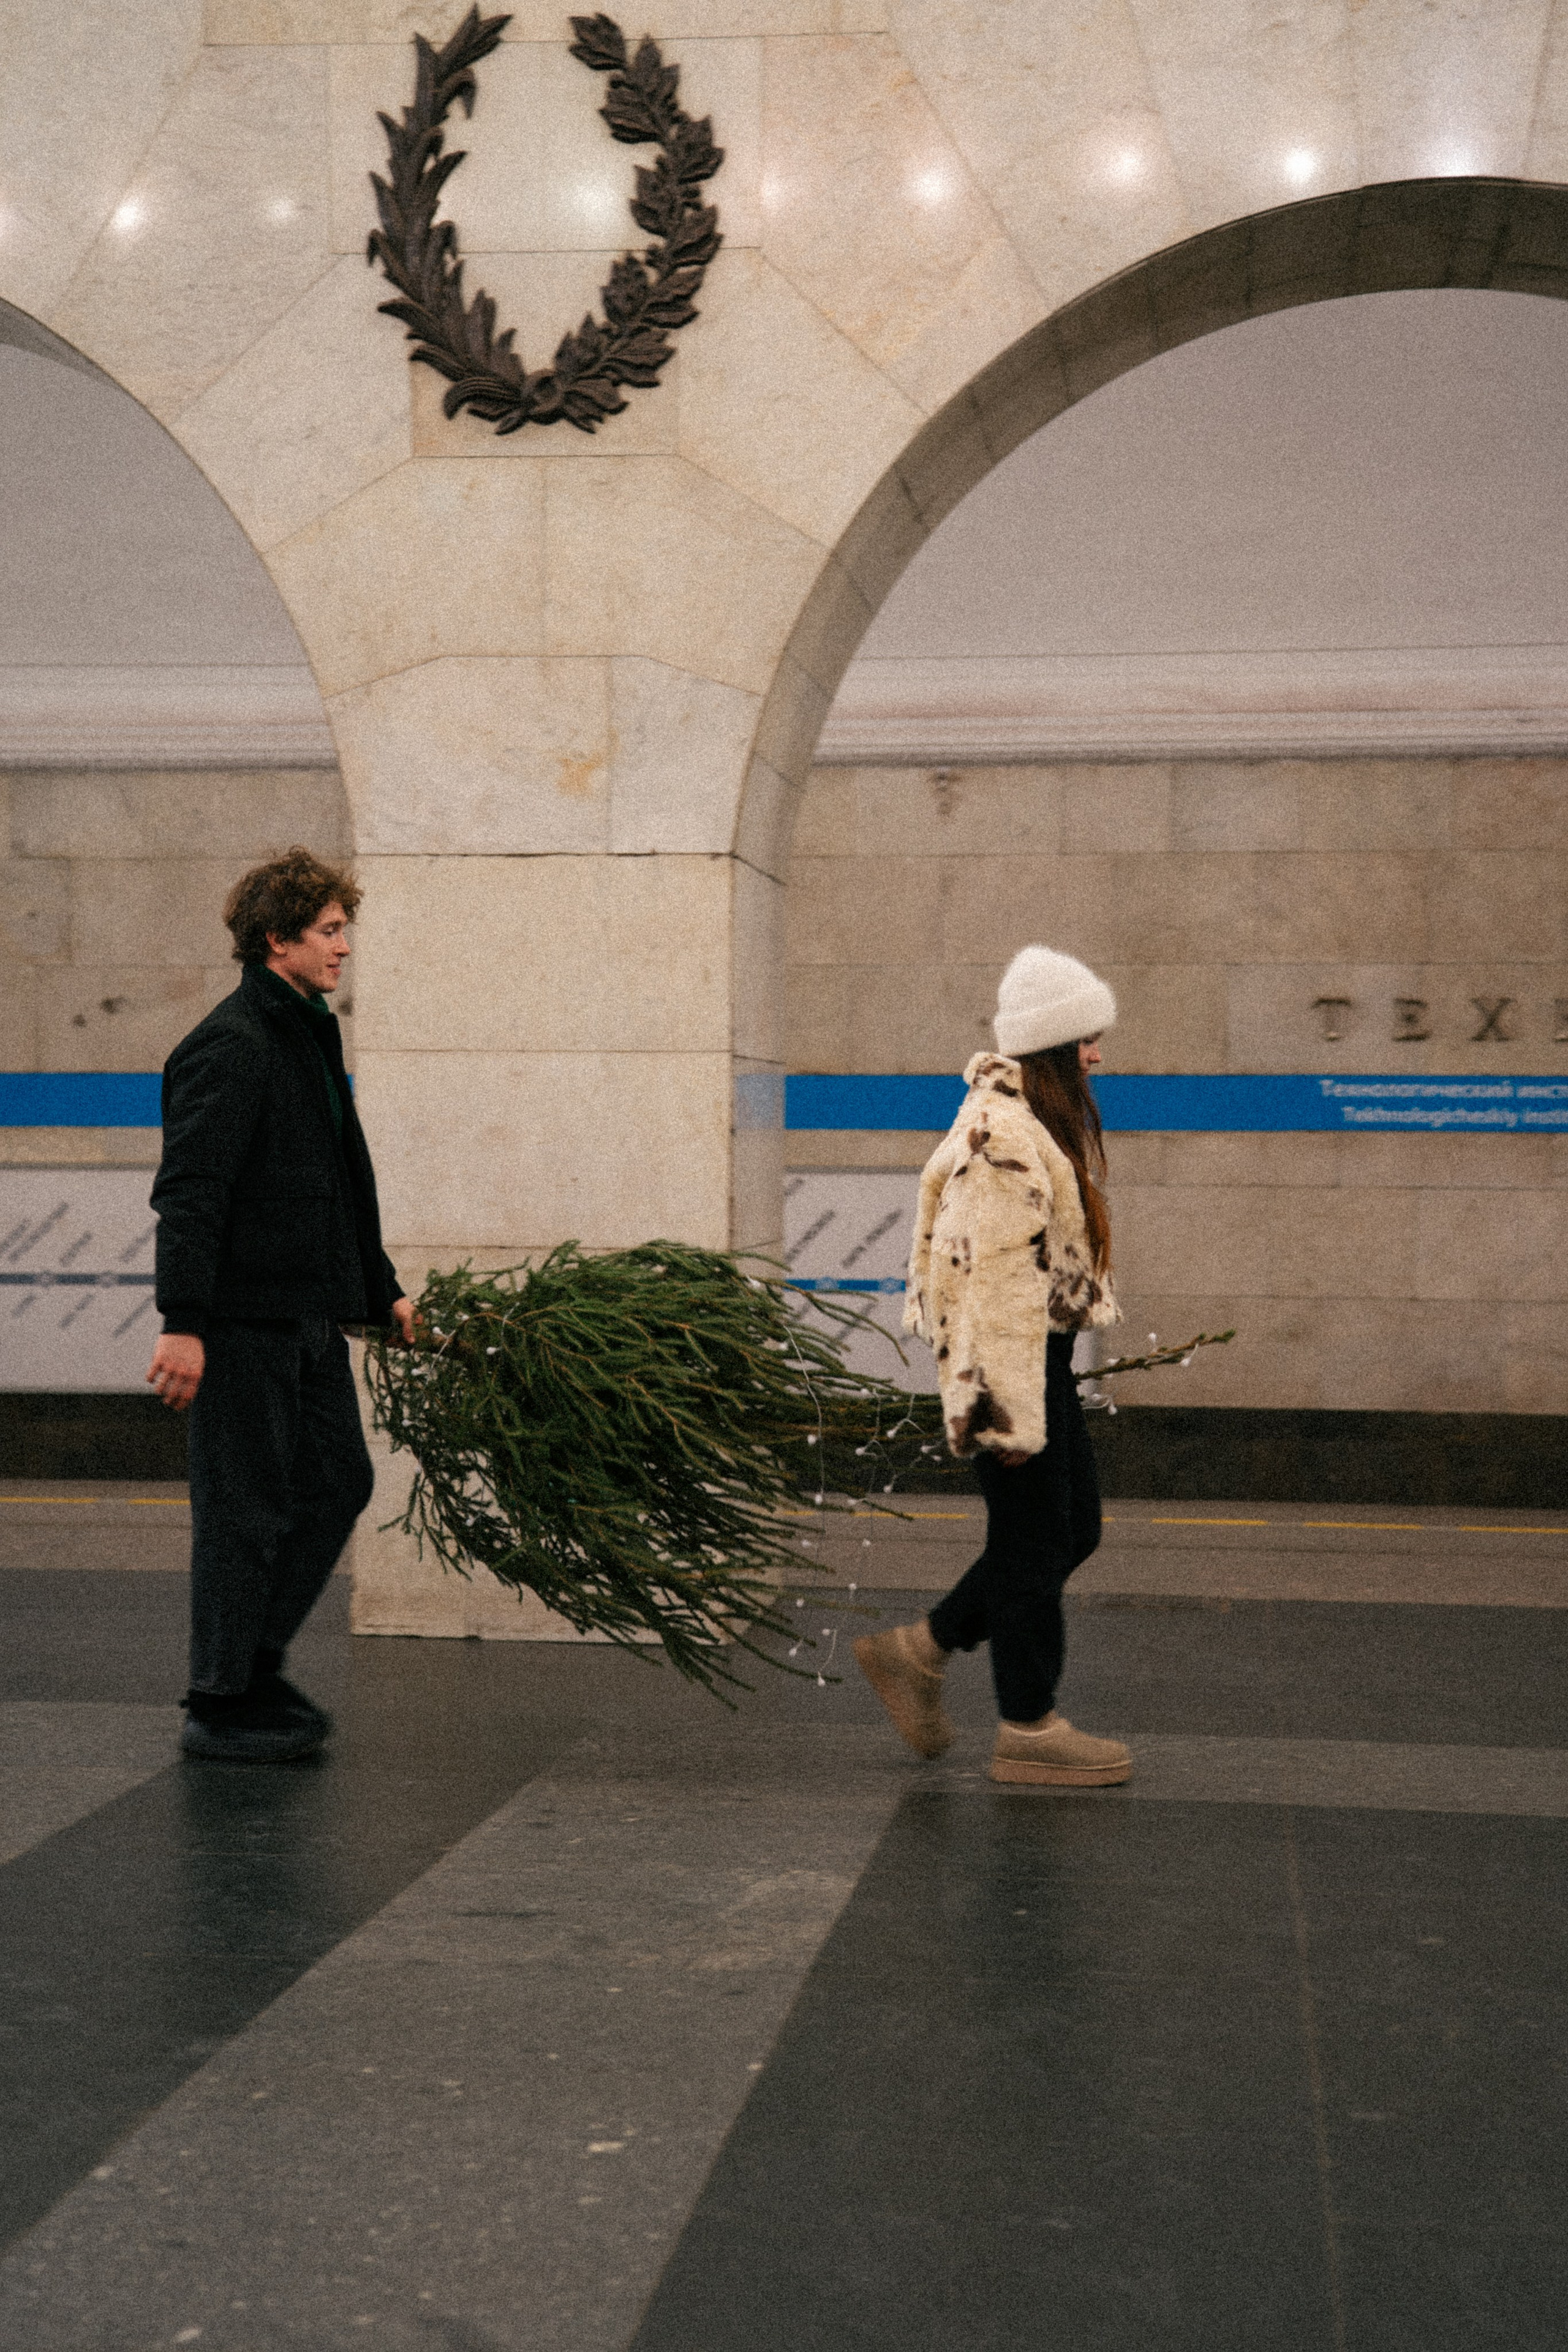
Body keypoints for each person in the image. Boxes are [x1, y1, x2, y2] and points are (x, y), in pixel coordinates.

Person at [146, 848, 414, 1763]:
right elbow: (192, 1192)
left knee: (338, 1482)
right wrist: (183, 1322)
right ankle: (220, 1701)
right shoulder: (233, 1044)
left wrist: (381, 1293)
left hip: (305, 1320)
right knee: (244, 1510)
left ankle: (252, 1667)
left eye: (345, 929)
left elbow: (339, 1184)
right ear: (278, 938)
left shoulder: (304, 1032)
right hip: (238, 1324)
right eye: (330, 930)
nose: (345, 947)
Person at [854, 944, 1131, 1788]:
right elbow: (987, 1283)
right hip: (1010, 1368)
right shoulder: (1000, 1137)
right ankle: (1030, 1725)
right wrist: (1001, 1409)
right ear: (1051, 1047)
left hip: (1035, 1357)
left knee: (1068, 1528)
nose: (1096, 1055)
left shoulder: (1028, 1126)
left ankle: (922, 1650)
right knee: (1035, 1540)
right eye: (1084, 1039)